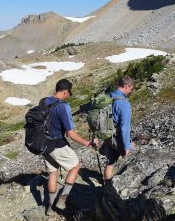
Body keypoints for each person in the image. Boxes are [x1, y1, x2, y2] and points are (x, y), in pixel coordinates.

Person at [43, 78, 99, 216]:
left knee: (53, 173)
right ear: (65, 91)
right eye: (69, 93)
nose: (69, 95)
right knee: (75, 166)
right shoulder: (63, 106)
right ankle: (62, 200)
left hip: (43, 144)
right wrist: (87, 143)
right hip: (57, 144)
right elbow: (70, 133)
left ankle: (50, 208)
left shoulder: (44, 101)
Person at [99, 75, 135, 184]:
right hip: (117, 138)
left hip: (106, 136)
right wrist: (127, 147)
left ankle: (107, 187)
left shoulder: (107, 97)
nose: (130, 91)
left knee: (111, 162)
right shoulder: (124, 103)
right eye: (130, 89)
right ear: (126, 87)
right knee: (134, 154)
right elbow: (125, 127)